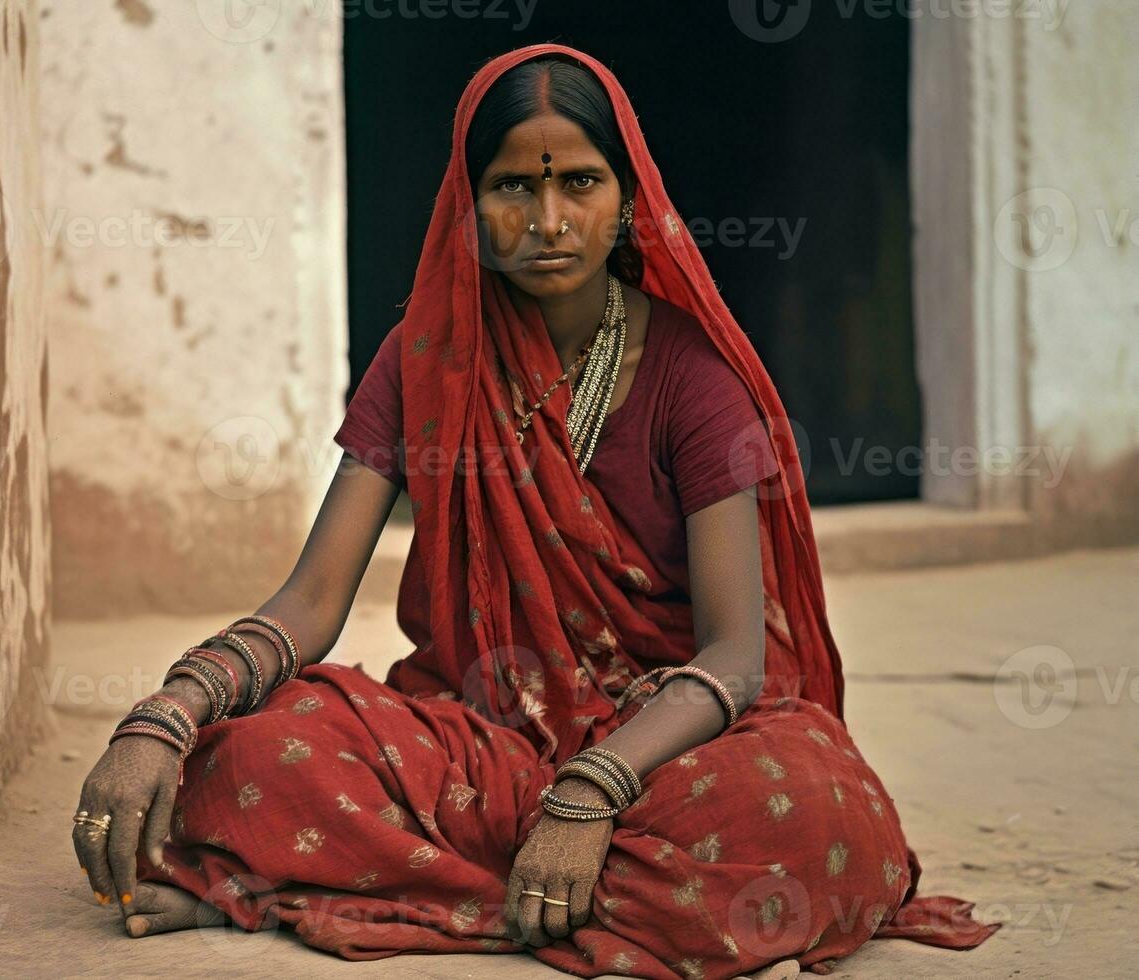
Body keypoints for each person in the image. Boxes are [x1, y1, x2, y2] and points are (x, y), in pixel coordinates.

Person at [71, 43, 1001, 979]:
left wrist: (591, 792)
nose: (548, 220)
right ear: (467, 208)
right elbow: (311, 603)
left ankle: (307, 891)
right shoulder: (424, 360)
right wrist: (164, 716)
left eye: (581, 184)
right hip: (477, 741)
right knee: (245, 759)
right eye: (513, 186)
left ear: (628, 201)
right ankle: (520, 893)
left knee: (815, 814)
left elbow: (732, 656)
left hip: (662, 748)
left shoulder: (692, 375)